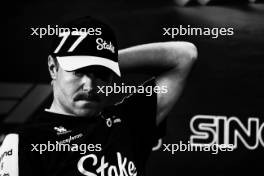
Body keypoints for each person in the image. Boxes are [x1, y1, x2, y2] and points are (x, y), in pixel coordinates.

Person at [0, 16, 197, 176]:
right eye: (78, 71)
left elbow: (185, 56)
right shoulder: (25, 143)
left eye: (100, 73)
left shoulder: (129, 122)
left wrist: (106, 59)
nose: (89, 85)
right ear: (53, 67)